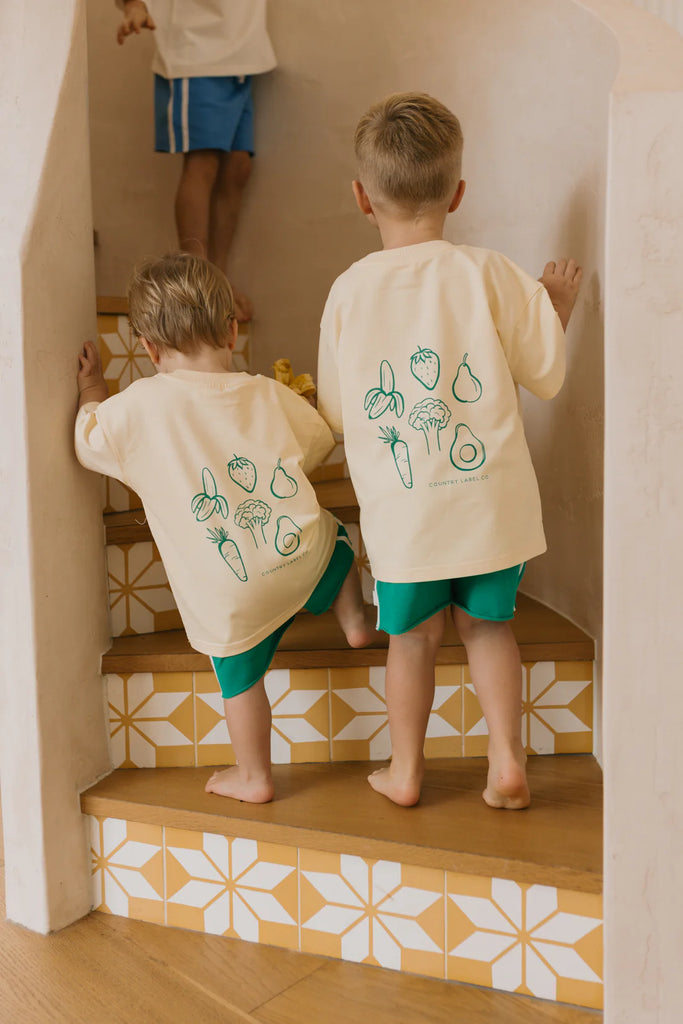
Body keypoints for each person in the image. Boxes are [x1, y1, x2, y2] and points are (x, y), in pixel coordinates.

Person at [317, 92, 582, 809]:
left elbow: (338, 411)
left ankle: (405, 772)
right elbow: (544, 372)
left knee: (412, 640)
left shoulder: (348, 291)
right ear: (457, 193)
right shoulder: (489, 272)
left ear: (361, 197)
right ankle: (506, 762)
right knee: (489, 627)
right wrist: (555, 309)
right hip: (489, 505)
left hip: (406, 518)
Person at [76, 253, 372, 803]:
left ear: (148, 349)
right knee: (331, 531)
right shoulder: (265, 391)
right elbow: (316, 442)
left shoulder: (136, 408)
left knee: (239, 679)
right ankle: (354, 618)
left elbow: (90, 440)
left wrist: (93, 388)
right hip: (298, 555)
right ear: (233, 331)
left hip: (229, 594)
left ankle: (254, 775)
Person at [115, 0, 277, 322]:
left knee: (238, 167)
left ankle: (218, 280)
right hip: (196, 52)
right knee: (204, 163)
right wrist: (134, 5)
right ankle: (196, 285)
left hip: (243, 53)